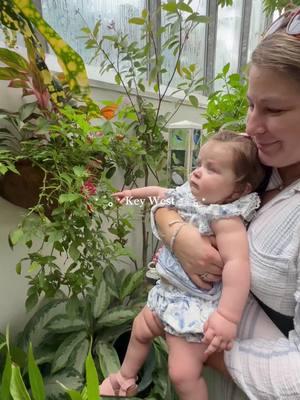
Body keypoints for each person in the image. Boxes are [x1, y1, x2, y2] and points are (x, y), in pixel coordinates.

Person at [154, 7, 300, 400]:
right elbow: (179, 197)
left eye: (273, 109)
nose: (252, 125)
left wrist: (193, 340)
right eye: (253, 104)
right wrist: (177, 234)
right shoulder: (263, 161)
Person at [99, 130, 265, 399]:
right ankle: (125, 379)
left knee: (182, 374)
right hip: (167, 293)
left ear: (240, 189)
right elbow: (159, 193)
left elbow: (237, 265)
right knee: (139, 331)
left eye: (211, 169)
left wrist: (227, 317)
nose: (197, 172)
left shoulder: (226, 219)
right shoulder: (190, 196)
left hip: (193, 304)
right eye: (199, 164)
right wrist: (129, 195)